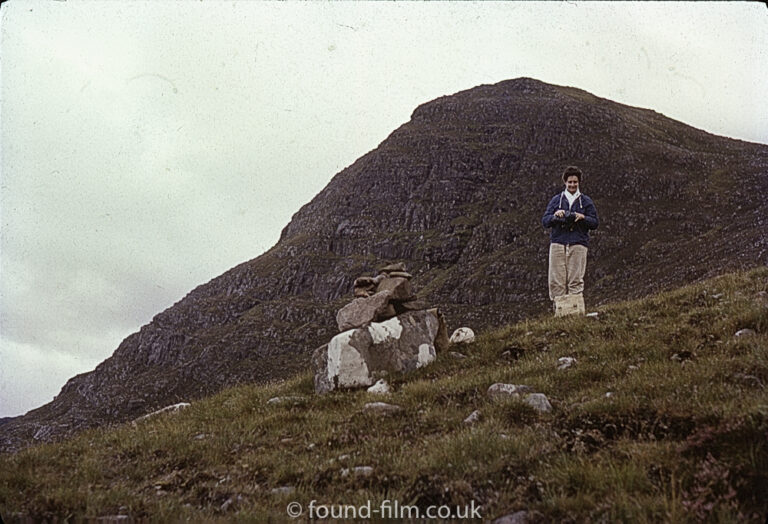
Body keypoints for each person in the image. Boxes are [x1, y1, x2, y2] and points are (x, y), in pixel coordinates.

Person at [541, 166, 599, 307]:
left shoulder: (585, 201)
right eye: (570, 182)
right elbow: (545, 221)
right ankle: (559, 311)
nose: (572, 185)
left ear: (579, 182)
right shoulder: (557, 200)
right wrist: (556, 216)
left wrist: (583, 217)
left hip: (578, 243)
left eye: (575, 182)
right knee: (556, 280)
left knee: (576, 279)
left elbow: (595, 222)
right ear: (565, 182)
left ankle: (576, 311)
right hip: (558, 243)